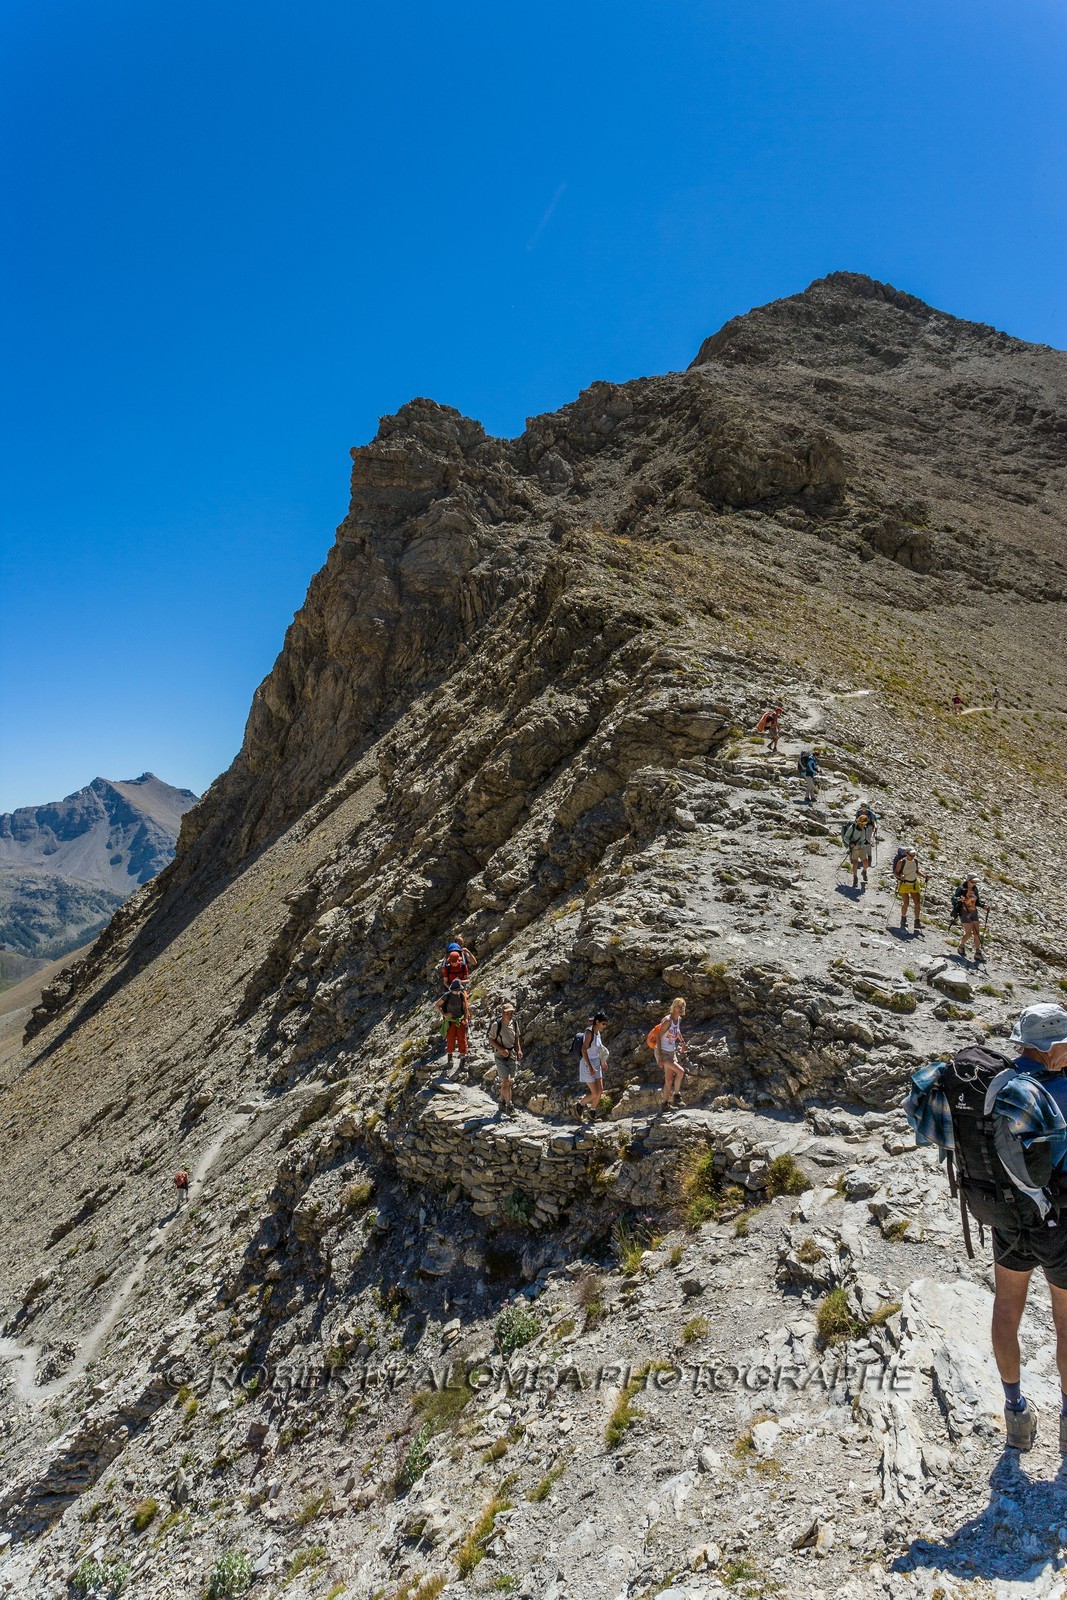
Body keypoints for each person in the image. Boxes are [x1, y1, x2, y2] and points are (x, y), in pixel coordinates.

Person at [904, 1005, 1067, 1452]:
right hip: (1059, 1222)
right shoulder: (1056, 1089)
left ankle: (1015, 1412)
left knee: (1007, 1308)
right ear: (1053, 1047)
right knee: (1066, 1321)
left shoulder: (994, 1087)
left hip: (1006, 1217)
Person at [487, 999, 522, 1118]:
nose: (510, 1014)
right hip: (500, 1056)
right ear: (502, 1013)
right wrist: (501, 1049)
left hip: (511, 1055)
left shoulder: (515, 1023)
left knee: (508, 1081)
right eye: (507, 1012)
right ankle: (509, 1106)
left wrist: (519, 1050)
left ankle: (501, 1101)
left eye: (511, 1012)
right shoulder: (497, 1025)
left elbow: (517, 1037)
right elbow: (491, 1040)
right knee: (507, 1080)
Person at [651, 997, 687, 1109]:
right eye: (678, 1006)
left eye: (682, 1006)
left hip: (672, 1052)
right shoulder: (668, 1020)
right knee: (681, 1072)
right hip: (663, 1052)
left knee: (669, 1079)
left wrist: (683, 1042)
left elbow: (677, 1031)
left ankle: (665, 1104)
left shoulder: (678, 1019)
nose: (680, 1008)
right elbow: (658, 1037)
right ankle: (677, 1097)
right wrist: (660, 1057)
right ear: (673, 1007)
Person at [574, 1012, 608, 1121]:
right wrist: (590, 1067)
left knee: (600, 1089)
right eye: (603, 1024)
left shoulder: (597, 1032)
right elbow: (584, 1049)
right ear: (597, 1022)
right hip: (587, 1063)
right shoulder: (589, 1033)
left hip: (596, 1062)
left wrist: (602, 1061)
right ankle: (579, 1105)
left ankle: (592, 1112)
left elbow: (598, 1049)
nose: (605, 1026)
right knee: (595, 1092)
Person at [436, 979, 470, 1070]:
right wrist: (444, 1014)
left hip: (460, 1020)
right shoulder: (446, 995)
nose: (457, 991)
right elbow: (437, 1005)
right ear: (452, 989)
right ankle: (450, 1059)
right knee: (450, 1039)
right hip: (450, 1021)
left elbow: (465, 1008)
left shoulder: (462, 995)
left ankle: (463, 1060)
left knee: (462, 1039)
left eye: (458, 989)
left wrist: (466, 1019)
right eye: (456, 989)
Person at [842, 805, 877, 889]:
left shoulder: (864, 828)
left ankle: (864, 871)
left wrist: (866, 842)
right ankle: (855, 877)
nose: (863, 825)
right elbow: (845, 837)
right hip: (854, 848)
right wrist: (850, 843)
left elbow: (864, 837)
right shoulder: (852, 827)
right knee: (855, 863)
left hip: (861, 847)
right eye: (861, 824)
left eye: (864, 824)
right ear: (858, 822)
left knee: (865, 862)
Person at [952, 874, 984, 963]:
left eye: (976, 882)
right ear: (968, 880)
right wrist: (959, 899)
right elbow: (953, 898)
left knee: (977, 933)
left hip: (973, 912)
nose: (975, 883)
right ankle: (961, 946)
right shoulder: (961, 889)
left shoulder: (975, 889)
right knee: (969, 933)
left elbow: (977, 902)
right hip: (964, 912)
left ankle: (978, 952)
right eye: (973, 882)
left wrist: (984, 906)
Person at [894, 847, 923, 933]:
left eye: (914, 855)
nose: (912, 857)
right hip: (904, 884)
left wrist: (924, 876)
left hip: (914, 884)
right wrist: (900, 877)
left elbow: (916, 871)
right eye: (911, 855)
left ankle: (917, 921)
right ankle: (903, 919)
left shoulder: (915, 861)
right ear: (907, 854)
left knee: (917, 903)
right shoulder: (901, 862)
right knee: (906, 903)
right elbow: (896, 873)